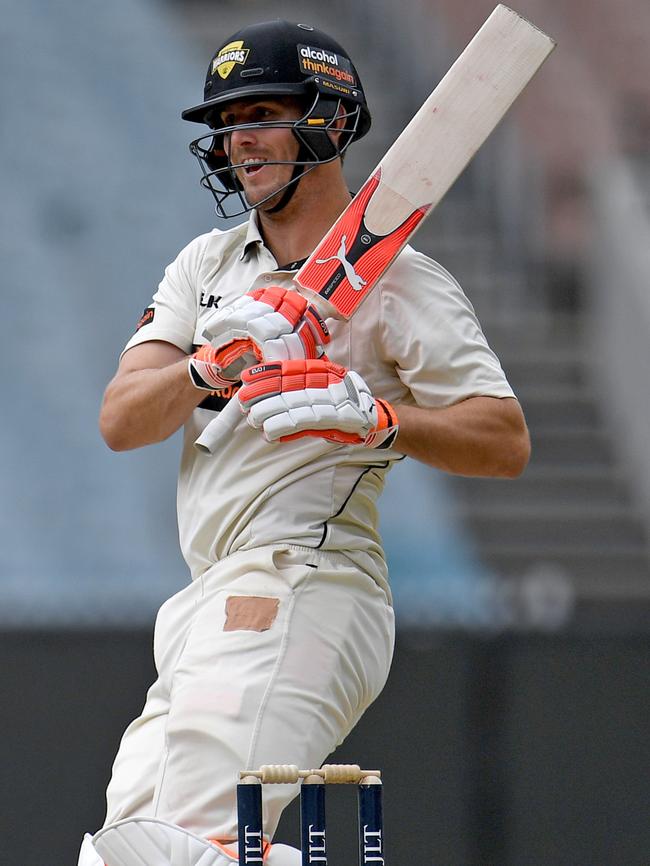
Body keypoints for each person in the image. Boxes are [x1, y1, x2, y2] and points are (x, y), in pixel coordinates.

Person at [77, 18, 530, 866]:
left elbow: (502, 440)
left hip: (307, 579)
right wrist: (211, 369)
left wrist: (383, 420)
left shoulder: (405, 286)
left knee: (175, 846)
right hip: (203, 598)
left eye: (259, 114)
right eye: (226, 122)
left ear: (327, 118)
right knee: (119, 854)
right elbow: (121, 419)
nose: (236, 140)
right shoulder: (205, 268)